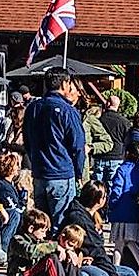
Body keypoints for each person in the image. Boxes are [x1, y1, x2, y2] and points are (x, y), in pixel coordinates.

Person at [22, 77, 89, 218]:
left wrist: (34, 160)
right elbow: (78, 146)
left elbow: (27, 140)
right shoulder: (68, 110)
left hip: (39, 172)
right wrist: (78, 172)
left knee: (41, 223)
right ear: (65, 84)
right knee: (61, 223)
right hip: (62, 173)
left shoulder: (33, 108)